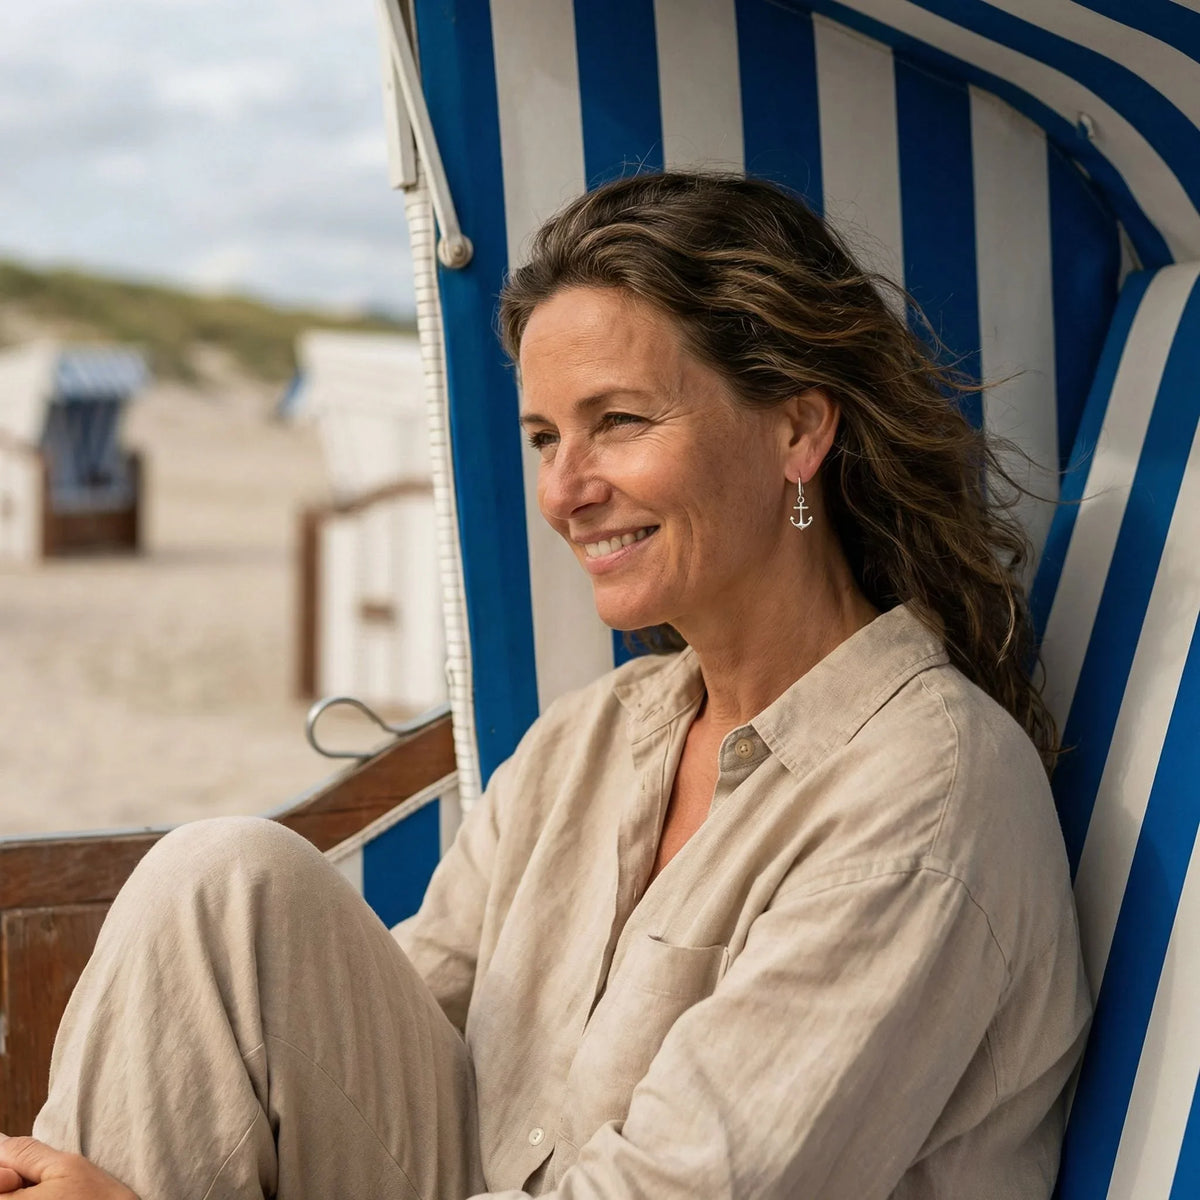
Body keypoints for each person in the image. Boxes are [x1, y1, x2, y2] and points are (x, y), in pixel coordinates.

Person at [0, 172, 1091, 1199]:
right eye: (541, 437)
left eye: (617, 421)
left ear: (798, 428)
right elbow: (386, 1040)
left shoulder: (925, 802)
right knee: (220, 883)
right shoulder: (597, 740)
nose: (565, 490)